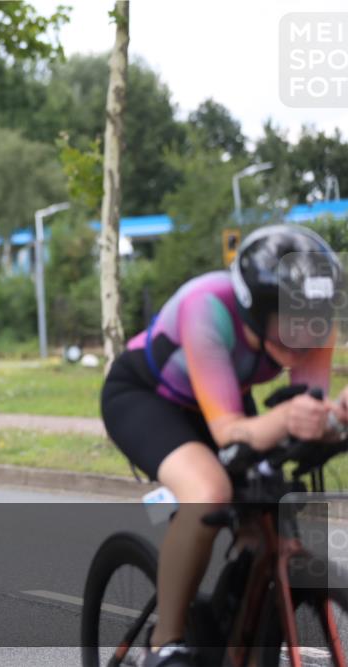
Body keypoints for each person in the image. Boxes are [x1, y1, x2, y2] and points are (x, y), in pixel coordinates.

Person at [100, 225, 347, 666]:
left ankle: (234, 624)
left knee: (264, 515)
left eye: (316, 315)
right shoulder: (207, 305)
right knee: (209, 492)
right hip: (146, 397)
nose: (306, 331)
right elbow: (230, 432)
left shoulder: (312, 326)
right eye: (291, 317)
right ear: (255, 307)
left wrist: (334, 418)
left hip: (222, 394)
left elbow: (306, 414)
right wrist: (291, 419)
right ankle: (165, 643)